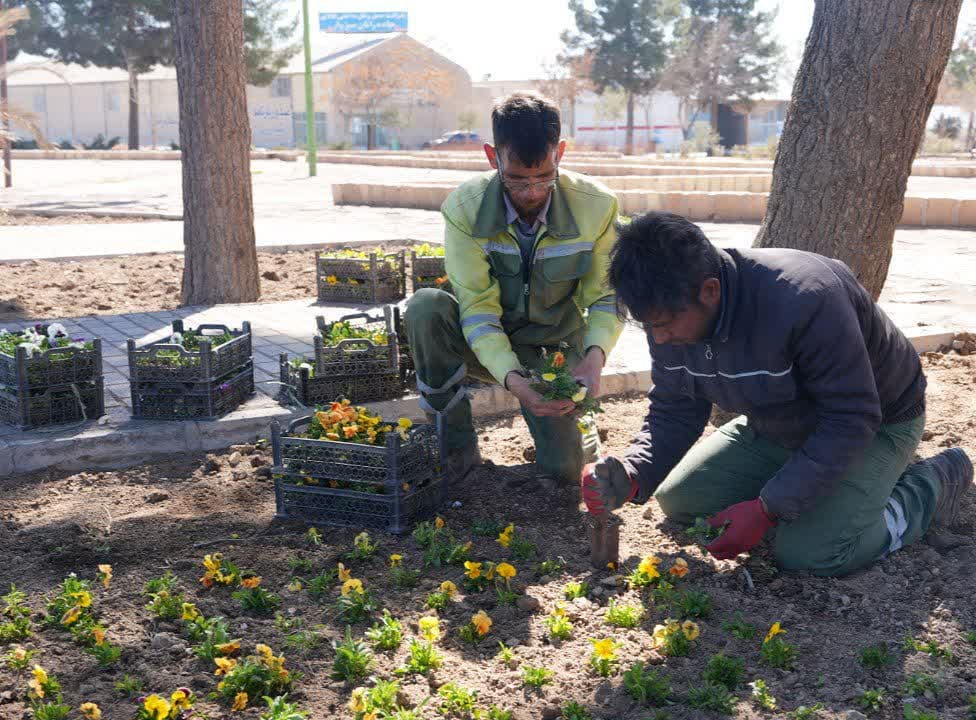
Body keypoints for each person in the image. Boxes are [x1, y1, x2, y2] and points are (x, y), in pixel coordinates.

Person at [581, 212, 973, 577]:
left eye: (664, 325)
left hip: (877, 424)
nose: (659, 337)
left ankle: (929, 486)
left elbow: (852, 418)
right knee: (681, 500)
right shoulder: (669, 309)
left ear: (710, 291)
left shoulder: (805, 298)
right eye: (649, 327)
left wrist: (768, 508)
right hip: (779, 425)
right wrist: (635, 470)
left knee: (811, 552)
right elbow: (677, 404)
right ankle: (820, 488)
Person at [404, 92, 623, 489]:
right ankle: (456, 450)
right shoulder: (464, 208)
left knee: (567, 474)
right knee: (426, 307)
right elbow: (477, 309)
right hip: (481, 343)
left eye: (544, 177)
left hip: (553, 351)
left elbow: (606, 297)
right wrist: (514, 381)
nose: (532, 192)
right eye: (517, 179)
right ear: (492, 157)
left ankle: (574, 436)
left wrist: (593, 359)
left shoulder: (598, 206)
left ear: (561, 153)